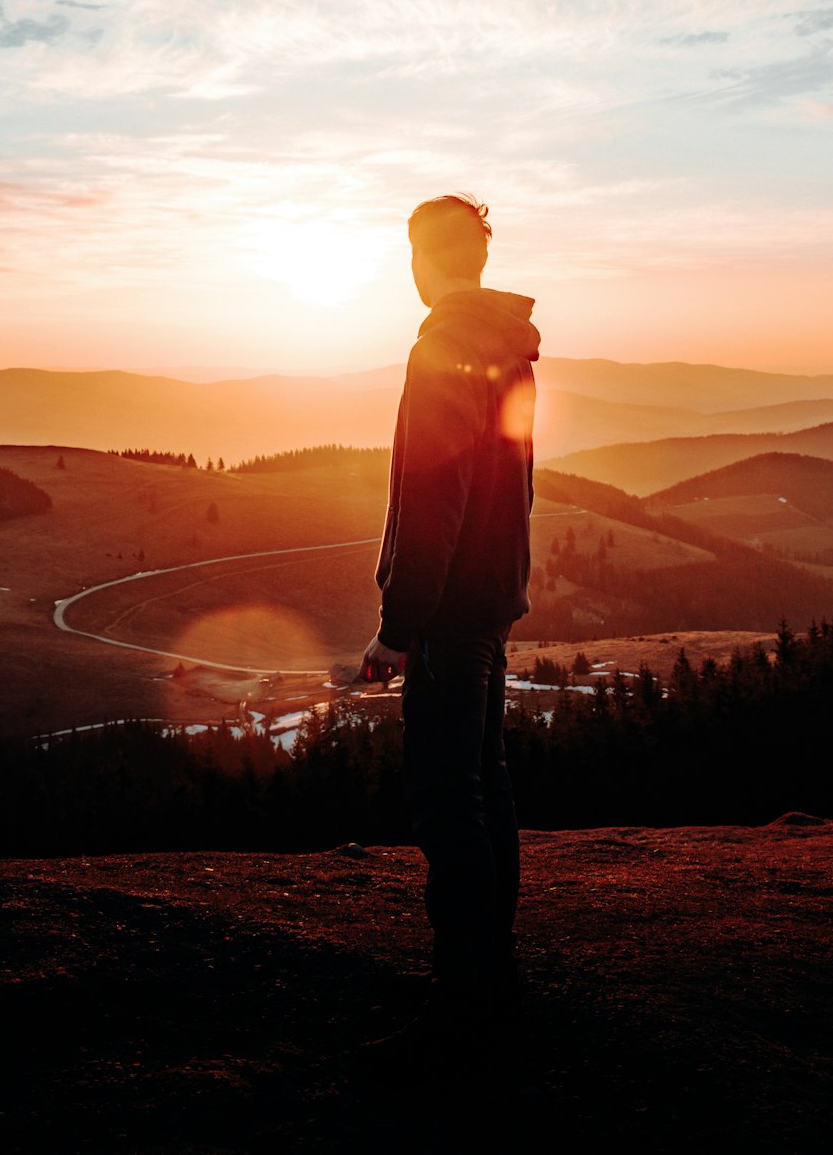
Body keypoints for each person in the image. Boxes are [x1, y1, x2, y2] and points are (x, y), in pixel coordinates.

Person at [357, 193, 540, 1063]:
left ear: (421, 258)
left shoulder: (443, 350)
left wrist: (398, 628)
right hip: (492, 604)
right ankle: (491, 979)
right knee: (486, 790)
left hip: (450, 619)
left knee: (446, 803)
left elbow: (434, 501)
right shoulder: (509, 348)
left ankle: (463, 1003)